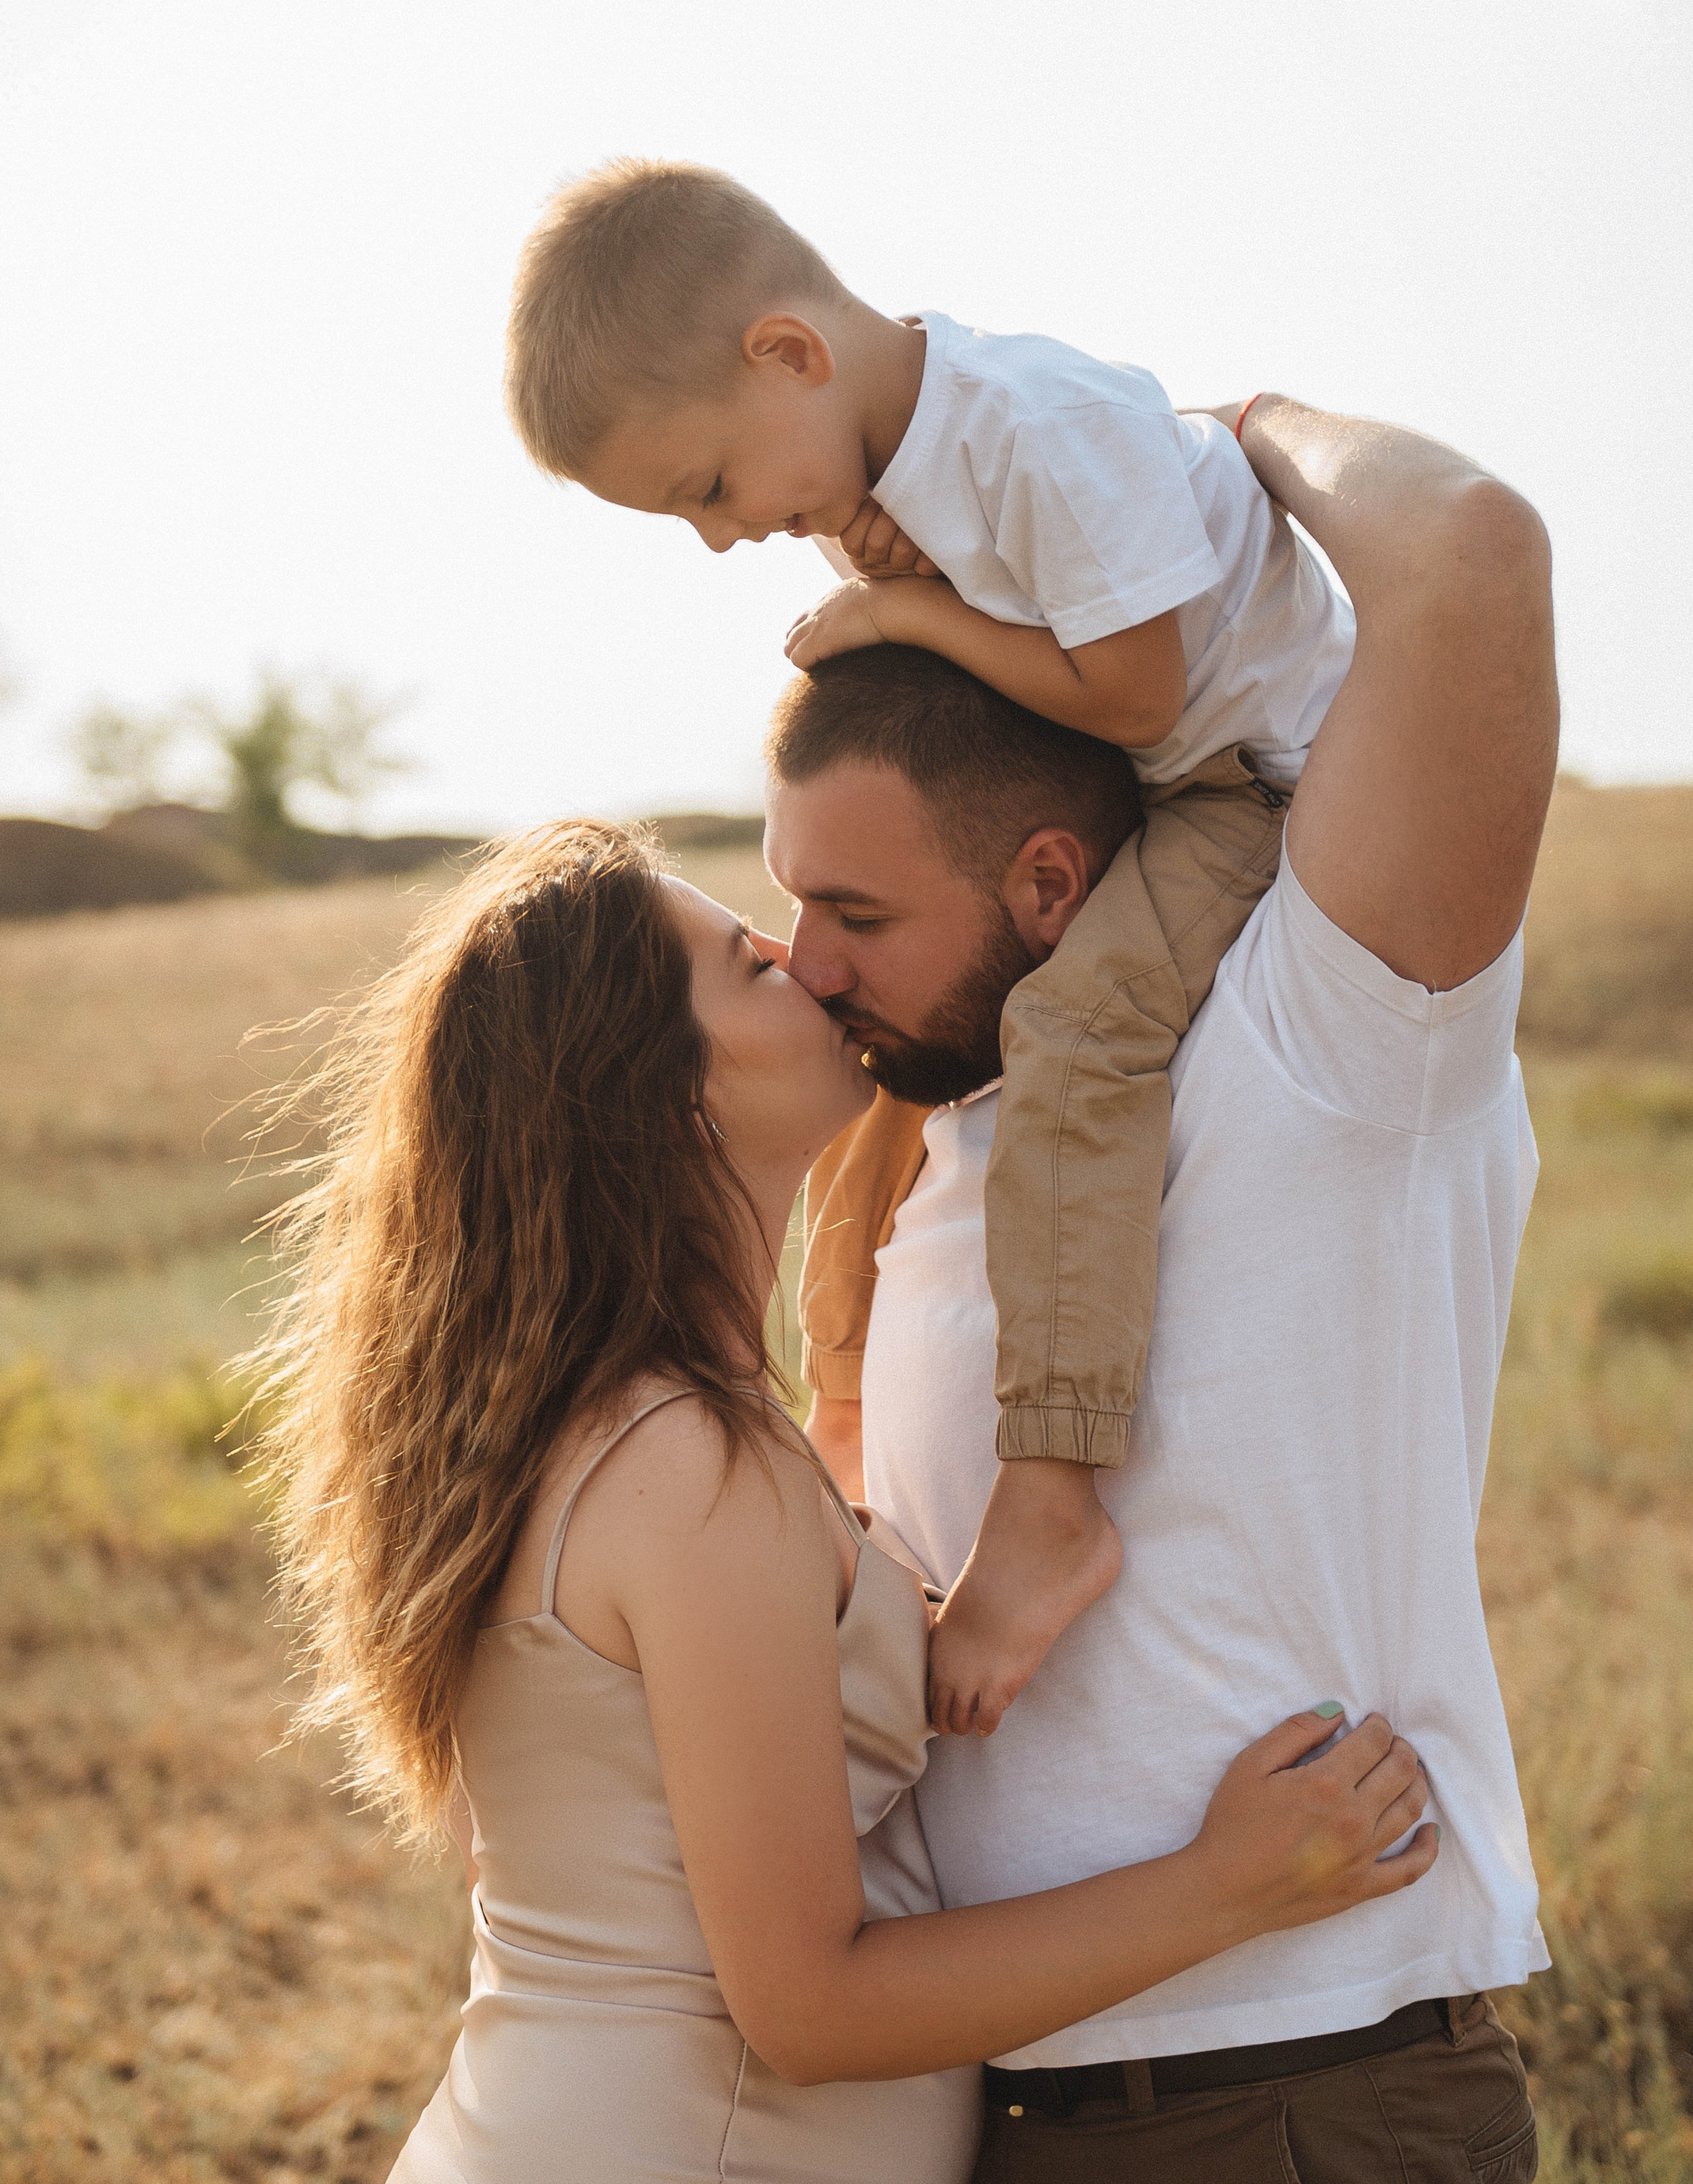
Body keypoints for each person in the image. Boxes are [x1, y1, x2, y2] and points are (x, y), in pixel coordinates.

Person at [263, 817, 1437, 2184]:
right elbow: (801, 2003)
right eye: (747, 960)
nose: (807, 961)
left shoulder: (635, 1424)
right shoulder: (683, 1468)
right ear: (653, 1100)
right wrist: (1226, 1886)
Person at [761, 392, 1558, 2184]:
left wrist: (1228, 434)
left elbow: (1472, 555)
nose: (806, 962)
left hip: (1275, 2126)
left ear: (1045, 881)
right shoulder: (936, 1142)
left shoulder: (1325, 1033)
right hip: (957, 2154)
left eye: (852, 909)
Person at [504, 155, 1354, 1738]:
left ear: (786, 353)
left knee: (1076, 1040)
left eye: (703, 489)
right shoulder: (871, 477)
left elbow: (1142, 698)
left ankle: (1048, 1500)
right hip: (1129, 780)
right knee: (883, 1052)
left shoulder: (1037, 434)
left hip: (1246, 775)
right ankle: (838, 1403)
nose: (716, 538)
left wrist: (909, 621)